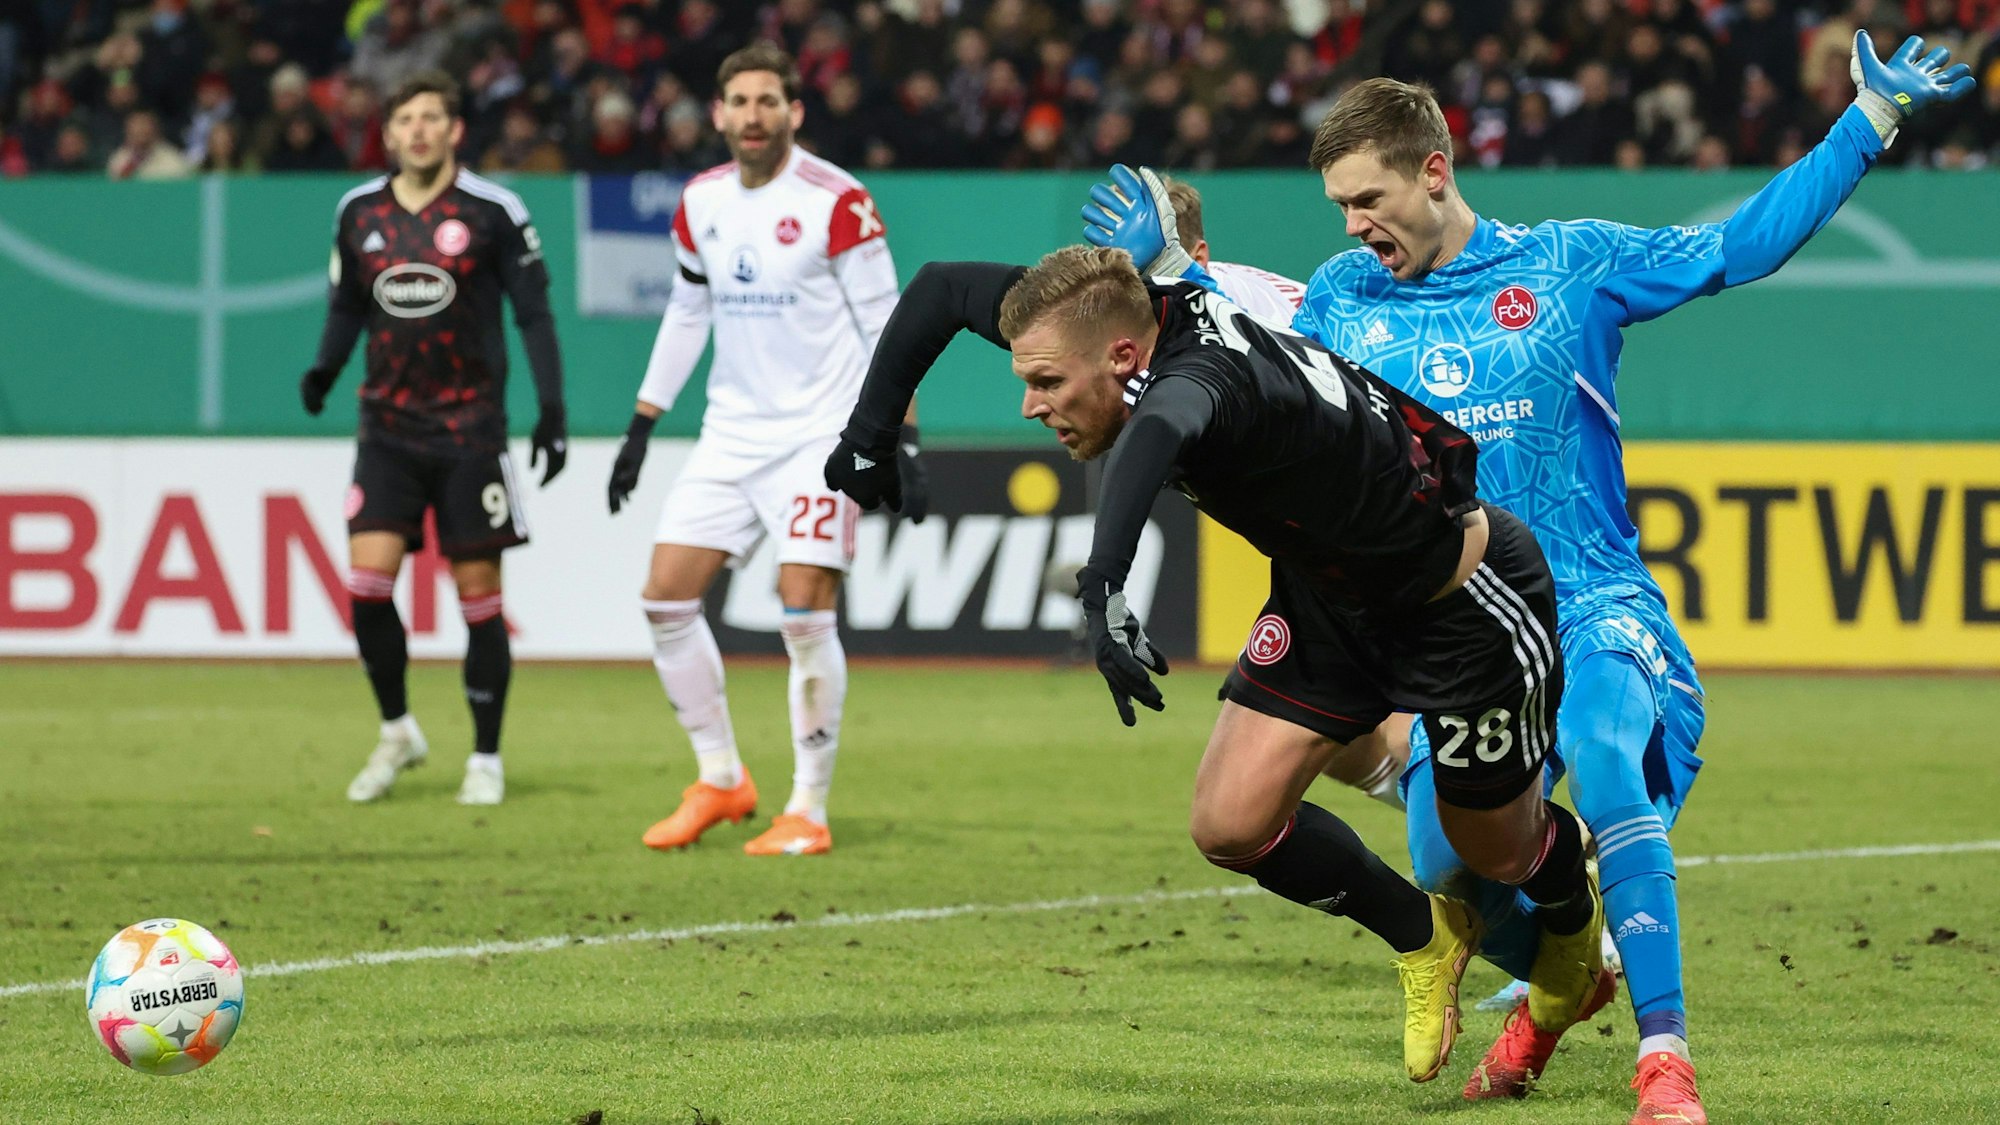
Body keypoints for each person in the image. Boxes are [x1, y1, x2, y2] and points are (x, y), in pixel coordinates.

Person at [1082, 28, 1973, 1125]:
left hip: (1589, 601)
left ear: (1433, 171)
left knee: (1604, 757)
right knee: (1448, 866)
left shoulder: (1569, 265)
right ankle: (1564, 984)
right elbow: (1256, 345)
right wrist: (1175, 277)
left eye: (1366, 200)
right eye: (1338, 208)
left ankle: (1664, 1061)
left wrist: (1868, 120)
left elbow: (1737, 246)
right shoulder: (1343, 297)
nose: (1352, 227)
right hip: (1453, 634)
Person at [823, 243, 1605, 1084]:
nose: (1029, 404)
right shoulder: (1098, 315)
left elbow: (1161, 427)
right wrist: (869, 436)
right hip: (1328, 604)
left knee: (1494, 848)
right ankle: (1426, 936)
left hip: (1461, 604)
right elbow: (944, 286)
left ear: (1125, 357)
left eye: (1046, 383)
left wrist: (1103, 582)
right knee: (1230, 825)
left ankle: (1571, 918)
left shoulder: (1202, 375)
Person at [606, 43, 922, 858]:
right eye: (739, 102)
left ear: (794, 112)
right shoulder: (700, 201)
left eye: (768, 101)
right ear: (717, 114)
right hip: (729, 434)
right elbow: (687, 312)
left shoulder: (837, 200)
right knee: (665, 600)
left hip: (820, 436)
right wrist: (643, 421)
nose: (753, 116)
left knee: (802, 610)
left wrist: (902, 437)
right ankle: (720, 777)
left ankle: (807, 807)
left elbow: (888, 325)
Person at [300, 70, 568, 808]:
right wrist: (324, 369)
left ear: (455, 130)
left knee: (478, 596)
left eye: (431, 117)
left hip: (469, 430)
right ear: (387, 133)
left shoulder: (493, 210)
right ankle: (398, 730)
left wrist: (551, 407)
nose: (418, 130)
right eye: (405, 119)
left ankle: (485, 755)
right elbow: (347, 305)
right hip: (385, 428)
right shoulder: (359, 211)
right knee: (366, 586)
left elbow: (533, 314)